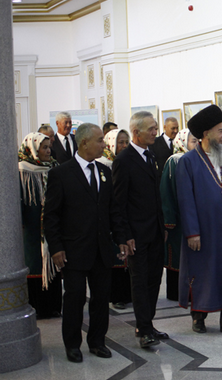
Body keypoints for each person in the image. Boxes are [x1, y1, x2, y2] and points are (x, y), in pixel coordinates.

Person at [43, 123, 129, 363]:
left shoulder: (104, 171)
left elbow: (113, 210)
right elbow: (51, 216)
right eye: (100, 140)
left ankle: (97, 341)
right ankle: (72, 344)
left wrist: (120, 238)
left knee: (101, 298)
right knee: (74, 298)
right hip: (73, 250)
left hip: (102, 249)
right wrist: (56, 247)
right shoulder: (61, 173)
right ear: (84, 143)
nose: (104, 144)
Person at [175, 105, 222, 335]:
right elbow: (185, 200)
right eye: (219, 130)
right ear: (206, 134)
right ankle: (199, 316)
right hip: (202, 231)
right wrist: (192, 232)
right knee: (203, 272)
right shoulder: (187, 162)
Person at [112, 111, 168, 348]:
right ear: (136, 132)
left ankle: (148, 323)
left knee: (155, 279)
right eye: (151, 129)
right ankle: (143, 328)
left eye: (156, 128)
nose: (155, 132)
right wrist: (124, 236)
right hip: (136, 234)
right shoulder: (123, 161)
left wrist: (163, 225)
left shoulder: (151, 155)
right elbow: (118, 203)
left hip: (155, 231)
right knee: (140, 280)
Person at [18, 132, 62, 319]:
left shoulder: (54, 167)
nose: (48, 150)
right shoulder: (22, 170)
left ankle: (53, 306)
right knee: (35, 264)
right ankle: (38, 307)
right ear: (33, 149)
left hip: (53, 227)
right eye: (43, 147)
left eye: (49, 147)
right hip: (32, 230)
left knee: (54, 261)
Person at [160, 128, 197, 302]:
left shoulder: (196, 160)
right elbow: (166, 193)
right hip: (178, 220)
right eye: (193, 141)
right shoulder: (174, 161)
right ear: (182, 142)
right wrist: (169, 221)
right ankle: (176, 293)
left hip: (193, 218)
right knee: (177, 257)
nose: (196, 145)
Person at [97, 128, 133, 310]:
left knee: (126, 258)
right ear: (111, 143)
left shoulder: (126, 161)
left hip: (124, 216)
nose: (124, 146)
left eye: (127, 142)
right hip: (109, 219)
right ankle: (117, 295)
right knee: (115, 258)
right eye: (121, 142)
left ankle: (128, 294)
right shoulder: (102, 164)